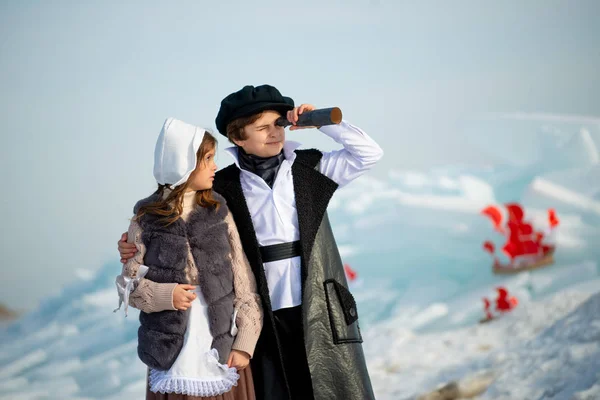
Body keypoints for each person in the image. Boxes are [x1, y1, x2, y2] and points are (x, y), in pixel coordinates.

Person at [119, 85, 383, 399]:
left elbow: (369, 154)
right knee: (275, 390)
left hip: (318, 304)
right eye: (263, 128)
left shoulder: (311, 168)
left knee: (329, 389)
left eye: (279, 124)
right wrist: (133, 242)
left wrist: (322, 122)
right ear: (238, 137)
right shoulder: (224, 185)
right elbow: (181, 219)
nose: (275, 133)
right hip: (261, 310)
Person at [114, 118, 263, 400]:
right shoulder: (146, 221)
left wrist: (245, 342)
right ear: (182, 163)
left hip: (221, 342)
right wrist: (165, 295)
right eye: (207, 159)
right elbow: (129, 286)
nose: (214, 166)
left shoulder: (219, 212)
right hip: (172, 350)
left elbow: (244, 283)